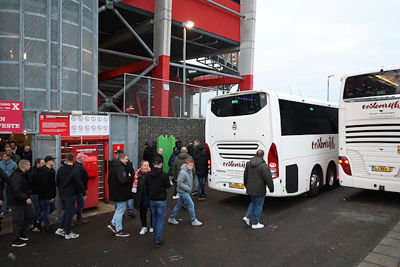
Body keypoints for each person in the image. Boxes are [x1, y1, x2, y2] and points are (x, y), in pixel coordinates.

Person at [242, 149, 274, 229]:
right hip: (259, 190)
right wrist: (271, 188)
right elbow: (268, 179)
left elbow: (245, 176)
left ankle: (247, 217)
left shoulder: (249, 164)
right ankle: (255, 223)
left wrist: (246, 185)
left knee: (253, 202)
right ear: (263, 156)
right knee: (258, 206)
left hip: (250, 189)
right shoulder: (264, 166)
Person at [55, 153, 83, 239]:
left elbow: (57, 182)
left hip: (62, 193)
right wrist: (81, 192)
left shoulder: (60, 169)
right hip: (70, 194)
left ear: (66, 159)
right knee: (69, 213)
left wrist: (61, 189)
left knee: (67, 212)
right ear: (73, 159)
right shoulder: (75, 170)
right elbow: (78, 183)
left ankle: (60, 229)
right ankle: (68, 232)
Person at [168, 159, 202, 227]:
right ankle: (194, 220)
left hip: (185, 191)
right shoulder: (183, 172)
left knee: (178, 205)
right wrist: (188, 188)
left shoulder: (189, 171)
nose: (191, 167)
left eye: (192, 165)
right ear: (186, 165)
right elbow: (179, 183)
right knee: (191, 205)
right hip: (184, 192)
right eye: (190, 165)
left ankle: (171, 218)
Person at [145, 156, 170, 248]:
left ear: (153, 164)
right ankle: (157, 240)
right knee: (160, 220)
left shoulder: (147, 175)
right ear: (161, 164)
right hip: (161, 200)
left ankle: (155, 236)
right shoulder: (164, 175)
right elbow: (167, 186)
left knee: (154, 218)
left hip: (152, 199)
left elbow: (146, 187)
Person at [107, 153, 133, 237]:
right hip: (120, 193)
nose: (127, 161)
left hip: (115, 192)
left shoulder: (113, 166)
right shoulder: (120, 168)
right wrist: (129, 177)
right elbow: (122, 181)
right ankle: (118, 230)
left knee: (119, 209)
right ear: (121, 159)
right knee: (120, 211)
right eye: (126, 159)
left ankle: (113, 224)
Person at [8, 159, 33, 247]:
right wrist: (25, 197)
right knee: (18, 221)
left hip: (23, 201)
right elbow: (16, 190)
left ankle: (21, 233)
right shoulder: (16, 176)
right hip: (17, 202)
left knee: (29, 216)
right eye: (29, 165)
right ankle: (15, 241)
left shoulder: (23, 174)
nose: (30, 166)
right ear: (24, 166)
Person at [37, 156, 56, 232]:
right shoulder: (44, 172)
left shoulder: (51, 170)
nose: (54, 161)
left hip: (50, 195)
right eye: (52, 160)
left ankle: (38, 221)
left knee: (52, 209)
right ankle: (47, 227)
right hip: (45, 195)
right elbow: (45, 186)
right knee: (46, 210)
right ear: (48, 162)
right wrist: (50, 197)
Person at [132, 160, 152, 235]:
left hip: (150, 197)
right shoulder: (137, 174)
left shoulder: (152, 174)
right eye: (145, 165)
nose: (146, 167)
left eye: (147, 165)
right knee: (142, 213)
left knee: (152, 212)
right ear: (141, 166)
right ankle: (144, 227)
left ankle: (152, 226)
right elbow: (135, 187)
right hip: (142, 197)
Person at [73, 153, 89, 224]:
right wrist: (83, 192)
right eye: (84, 157)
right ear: (81, 158)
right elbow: (79, 181)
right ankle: (68, 217)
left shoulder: (76, 166)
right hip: (78, 190)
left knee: (79, 204)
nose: (85, 159)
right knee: (81, 204)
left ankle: (79, 218)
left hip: (76, 189)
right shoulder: (79, 167)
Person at [0, 152, 17, 217]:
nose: (5, 158)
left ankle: (10, 207)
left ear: (9, 157)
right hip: (2, 183)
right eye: (3, 156)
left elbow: (16, 172)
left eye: (6, 156)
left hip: (11, 182)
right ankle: (3, 210)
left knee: (10, 195)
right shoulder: (0, 163)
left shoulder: (14, 164)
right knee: (3, 196)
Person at [30, 158, 45, 232]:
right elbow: (31, 184)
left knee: (40, 209)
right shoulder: (33, 172)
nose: (44, 165)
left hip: (39, 193)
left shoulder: (40, 171)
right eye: (42, 163)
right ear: (37, 164)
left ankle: (36, 223)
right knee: (38, 209)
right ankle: (34, 223)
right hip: (34, 194)